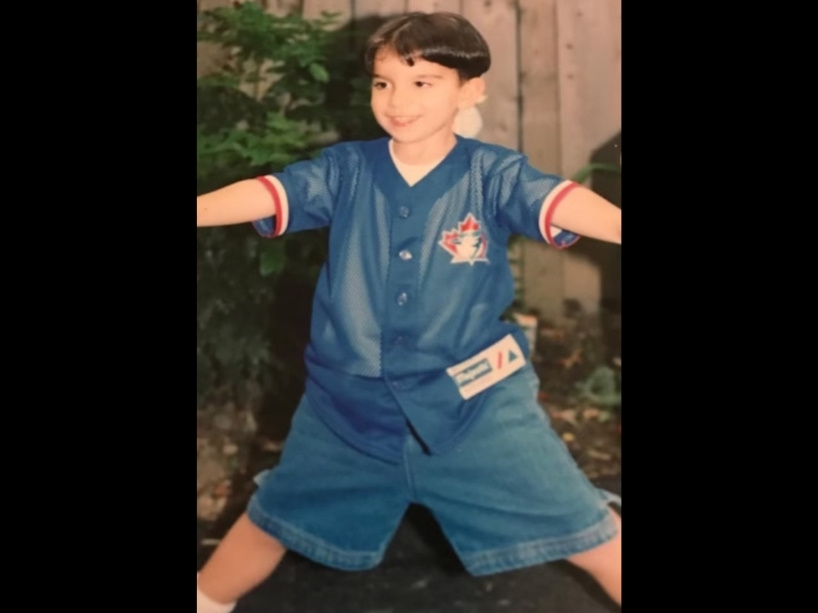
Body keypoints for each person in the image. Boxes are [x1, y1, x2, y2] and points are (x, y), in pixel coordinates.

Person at [196, 11, 622, 613]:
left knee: (588, 529)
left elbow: (561, 201)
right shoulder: (346, 171)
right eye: (383, 82)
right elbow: (271, 192)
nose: (398, 100)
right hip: (347, 411)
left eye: (422, 83)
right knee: (273, 517)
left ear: (470, 90)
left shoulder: (492, 174)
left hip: (474, 407)